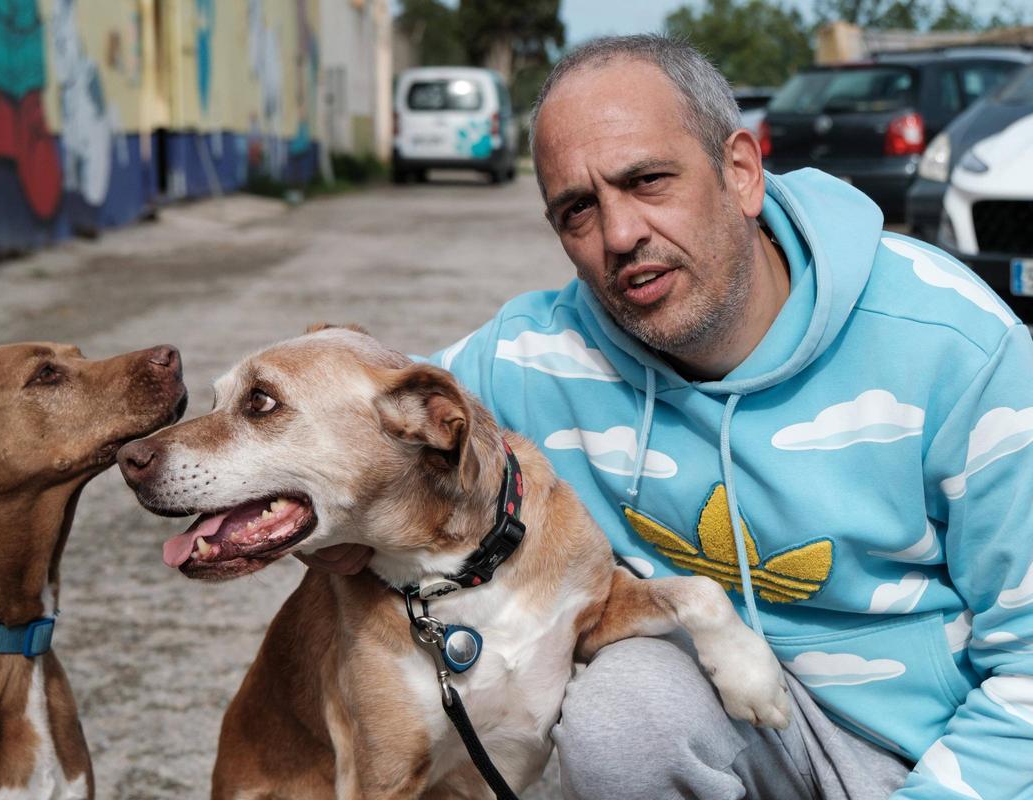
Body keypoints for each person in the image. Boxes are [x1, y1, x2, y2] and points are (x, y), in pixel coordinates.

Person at [304, 35, 1033, 799]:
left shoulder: (955, 344)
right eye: (578, 209)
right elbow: (354, 429)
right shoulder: (530, 360)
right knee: (625, 712)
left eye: (648, 180)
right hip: (732, 727)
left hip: (931, 750)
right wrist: (314, 519)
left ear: (741, 172)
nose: (620, 235)